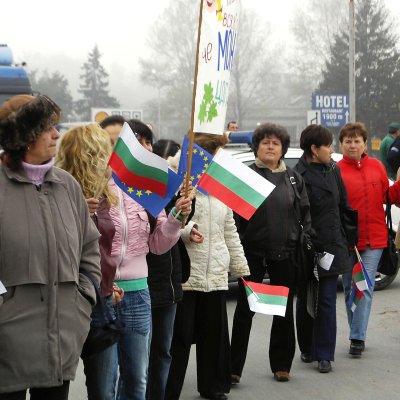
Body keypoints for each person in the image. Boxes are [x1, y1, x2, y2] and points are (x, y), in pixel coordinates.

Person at [0, 95, 101, 399]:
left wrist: (84, 299)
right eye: (46, 128)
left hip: (61, 343)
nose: (56, 134)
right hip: (7, 349)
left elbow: (89, 249)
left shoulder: (67, 186)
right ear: (23, 137)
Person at [109, 118, 193, 400]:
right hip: (100, 294)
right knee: (104, 382)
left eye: (146, 142)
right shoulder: (89, 186)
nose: (140, 149)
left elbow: (158, 245)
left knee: (137, 378)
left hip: (138, 295)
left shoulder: (147, 187)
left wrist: (176, 218)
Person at [166, 133, 250, 400]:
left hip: (214, 271)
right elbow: (165, 219)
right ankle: (169, 389)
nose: (215, 158)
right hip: (186, 272)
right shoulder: (176, 176)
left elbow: (229, 228)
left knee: (213, 336)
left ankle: (213, 386)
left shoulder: (218, 181)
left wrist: (240, 266)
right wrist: (186, 230)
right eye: (212, 152)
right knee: (179, 338)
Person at [230, 123, 312, 383]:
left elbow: (305, 215)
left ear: (282, 149)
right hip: (252, 253)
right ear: (257, 146)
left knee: (283, 310)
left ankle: (281, 365)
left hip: (285, 253)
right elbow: (233, 217)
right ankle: (233, 368)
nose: (270, 147)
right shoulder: (247, 175)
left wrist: (303, 239)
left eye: (275, 143)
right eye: (265, 142)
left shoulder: (293, 178)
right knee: (245, 310)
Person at [56, 124, 122, 400]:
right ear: (89, 155)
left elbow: (103, 249)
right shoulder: (56, 193)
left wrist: (111, 279)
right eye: (105, 149)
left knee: (104, 389)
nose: (111, 157)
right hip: (67, 300)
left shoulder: (107, 193)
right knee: (56, 386)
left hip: (102, 297)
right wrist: (76, 211)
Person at [146, 138, 203, 400]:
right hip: (141, 281)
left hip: (169, 279)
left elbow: (173, 227)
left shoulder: (169, 184)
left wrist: (183, 203)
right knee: (138, 357)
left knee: (162, 351)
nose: (145, 148)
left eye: (148, 142)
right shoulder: (133, 188)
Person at [294, 124, 354, 373]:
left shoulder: (333, 170)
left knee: (328, 300)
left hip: (332, 246)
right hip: (307, 247)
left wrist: (349, 240)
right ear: (314, 149)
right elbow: (295, 214)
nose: (332, 149)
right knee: (306, 299)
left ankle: (324, 353)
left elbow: (344, 207)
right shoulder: (296, 175)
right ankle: (307, 347)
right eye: (328, 145)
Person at [338, 122, 400, 356]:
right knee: (350, 287)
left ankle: (356, 337)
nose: (352, 145)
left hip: (375, 238)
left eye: (357, 141)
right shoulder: (336, 170)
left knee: (364, 285)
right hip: (347, 240)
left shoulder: (377, 167)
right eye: (348, 141)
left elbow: (389, 197)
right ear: (341, 144)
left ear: (365, 143)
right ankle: (357, 332)